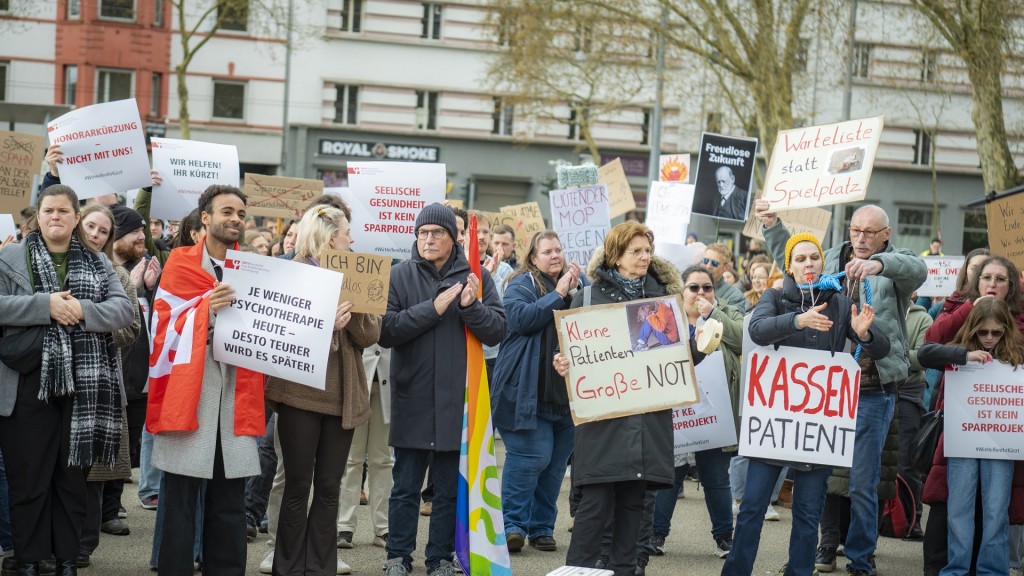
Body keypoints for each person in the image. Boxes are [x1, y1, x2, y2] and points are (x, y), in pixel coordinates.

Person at [758, 201, 926, 576]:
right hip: (827, 386)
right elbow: (798, 257)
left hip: (871, 387)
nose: (861, 238)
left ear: (886, 235)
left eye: (869, 232)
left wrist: (878, 265)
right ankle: (822, 545)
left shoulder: (897, 263)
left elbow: (918, 270)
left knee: (864, 483)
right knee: (818, 474)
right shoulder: (832, 256)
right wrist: (772, 226)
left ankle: (861, 559)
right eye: (855, 230)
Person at [722, 233, 888, 576]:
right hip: (774, 425)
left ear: (822, 263)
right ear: (789, 266)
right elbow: (757, 330)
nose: (808, 263)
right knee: (753, 507)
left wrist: (864, 333)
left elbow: (881, 348)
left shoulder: (841, 303)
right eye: (800, 259)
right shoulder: (774, 296)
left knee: (808, 512)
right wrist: (799, 320)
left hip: (817, 429)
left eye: (814, 257)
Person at [553, 221, 706, 576]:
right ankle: (579, 571)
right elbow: (573, 358)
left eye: (647, 250)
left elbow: (675, 359)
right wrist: (563, 364)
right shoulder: (589, 297)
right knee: (594, 506)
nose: (643, 257)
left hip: (645, 424)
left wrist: (700, 345)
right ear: (615, 255)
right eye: (634, 251)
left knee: (633, 509)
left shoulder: (662, 300)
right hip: (603, 424)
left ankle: (624, 570)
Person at [0, 184, 133, 576]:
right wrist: (46, 306)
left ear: (76, 217)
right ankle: (28, 558)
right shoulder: (9, 257)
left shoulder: (98, 261)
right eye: (48, 211)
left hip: (83, 385)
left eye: (62, 211)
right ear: (37, 217)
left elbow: (123, 310)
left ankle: (64, 560)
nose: (55, 217)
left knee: (70, 478)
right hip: (25, 381)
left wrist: (78, 308)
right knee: (28, 478)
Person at [379, 203, 506, 576]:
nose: (428, 239)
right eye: (422, 233)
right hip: (413, 396)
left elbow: (498, 329)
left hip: (459, 401)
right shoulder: (399, 276)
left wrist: (470, 307)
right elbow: (386, 331)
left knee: (448, 490)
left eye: (437, 233)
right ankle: (397, 556)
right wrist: (432, 308)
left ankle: (439, 558)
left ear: (454, 238)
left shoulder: (477, 276)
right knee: (404, 487)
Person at [148, 185, 266, 576]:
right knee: (179, 497)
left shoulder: (255, 269)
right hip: (191, 396)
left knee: (230, 501)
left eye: (240, 213)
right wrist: (206, 311)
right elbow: (162, 324)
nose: (235, 219)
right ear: (206, 218)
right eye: (227, 211)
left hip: (236, 396)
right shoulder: (181, 263)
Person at [266, 205, 381, 576]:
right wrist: (324, 324)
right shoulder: (292, 272)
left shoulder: (357, 273)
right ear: (332, 236)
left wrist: (356, 308)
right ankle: (287, 565)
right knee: (298, 484)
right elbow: (277, 331)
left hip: (342, 398)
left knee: (330, 486)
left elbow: (369, 336)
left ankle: (320, 566)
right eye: (348, 232)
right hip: (299, 393)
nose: (353, 239)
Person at [921, 254, 1024, 576]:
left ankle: (992, 571)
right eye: (986, 277)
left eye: (1000, 279)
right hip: (961, 439)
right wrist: (965, 347)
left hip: (1002, 441)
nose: (990, 338)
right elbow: (928, 347)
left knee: (996, 511)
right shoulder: (961, 329)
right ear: (975, 280)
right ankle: (956, 570)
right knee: (958, 508)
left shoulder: (1016, 350)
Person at [492, 231, 583, 553]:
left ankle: (542, 527)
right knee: (532, 458)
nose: (555, 255)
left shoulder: (580, 288)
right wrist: (558, 293)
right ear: (533, 257)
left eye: (559, 249)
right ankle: (512, 524)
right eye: (547, 251)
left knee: (556, 464)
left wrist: (577, 291)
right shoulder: (522, 284)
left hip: (568, 397)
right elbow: (521, 319)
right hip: (525, 394)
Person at [649, 264, 743, 560]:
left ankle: (724, 538)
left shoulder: (727, 312)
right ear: (682, 290)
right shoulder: (666, 315)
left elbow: (742, 340)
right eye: (694, 287)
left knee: (716, 478)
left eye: (707, 287)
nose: (700, 293)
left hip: (715, 415)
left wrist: (714, 312)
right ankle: (656, 534)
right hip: (676, 414)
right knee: (670, 475)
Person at [77, 205, 142, 566]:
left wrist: (87, 325)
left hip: (102, 383)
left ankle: (84, 545)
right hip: (61, 384)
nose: (96, 235)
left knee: (94, 472)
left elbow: (131, 329)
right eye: (90, 226)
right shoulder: (58, 267)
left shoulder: (118, 274)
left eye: (103, 231)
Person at [335, 342, 394, 550]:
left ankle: (383, 527)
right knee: (352, 458)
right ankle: (345, 526)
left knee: (384, 459)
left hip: (390, 376)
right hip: (356, 377)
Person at [703, 243, 746, 309]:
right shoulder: (689, 286)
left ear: (726, 267)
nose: (708, 266)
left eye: (714, 263)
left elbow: (733, 319)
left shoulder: (735, 296)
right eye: (705, 261)